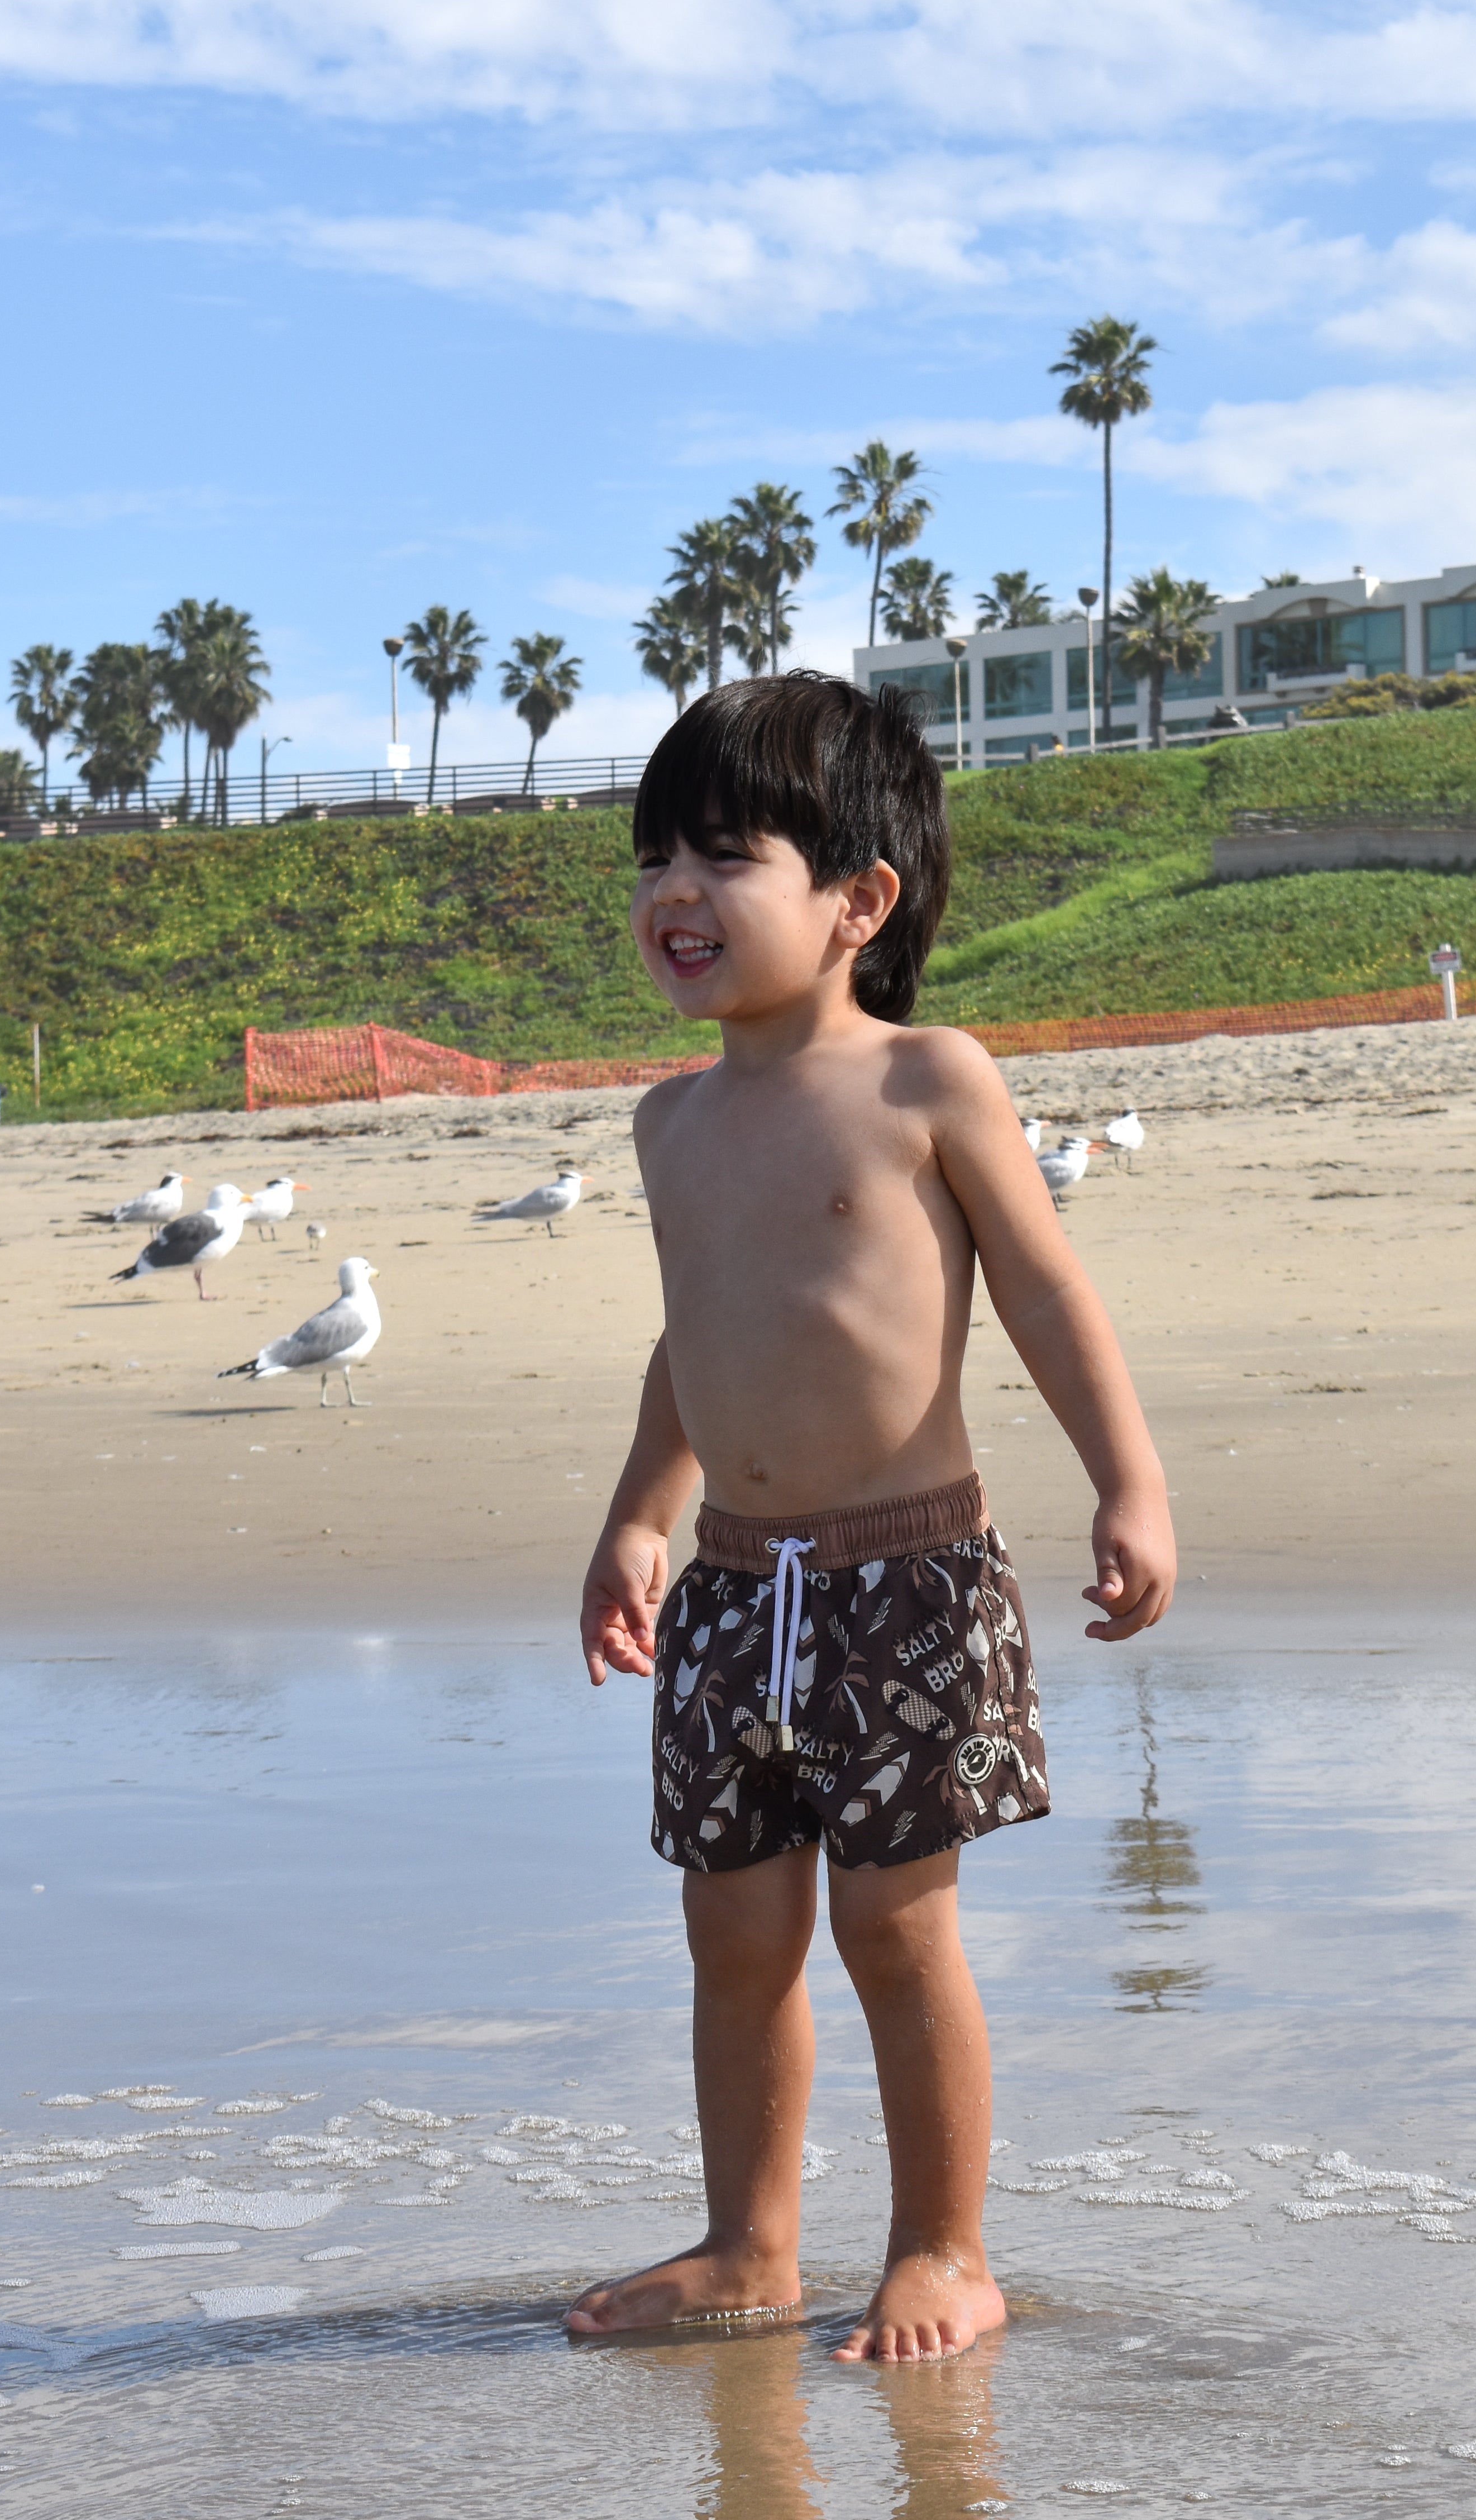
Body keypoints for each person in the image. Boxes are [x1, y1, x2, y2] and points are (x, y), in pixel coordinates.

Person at [572, 674, 1176, 2364]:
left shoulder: (928, 1080)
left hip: (902, 1581)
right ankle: (747, 2246)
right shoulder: (668, 1121)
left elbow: (1049, 1293)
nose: (671, 895)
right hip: (727, 1592)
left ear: (857, 901)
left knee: (892, 1931)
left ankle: (943, 2252)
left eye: (721, 856)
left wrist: (1127, 1480)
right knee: (733, 1928)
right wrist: (639, 1513)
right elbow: (694, 1336)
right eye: (652, 861)